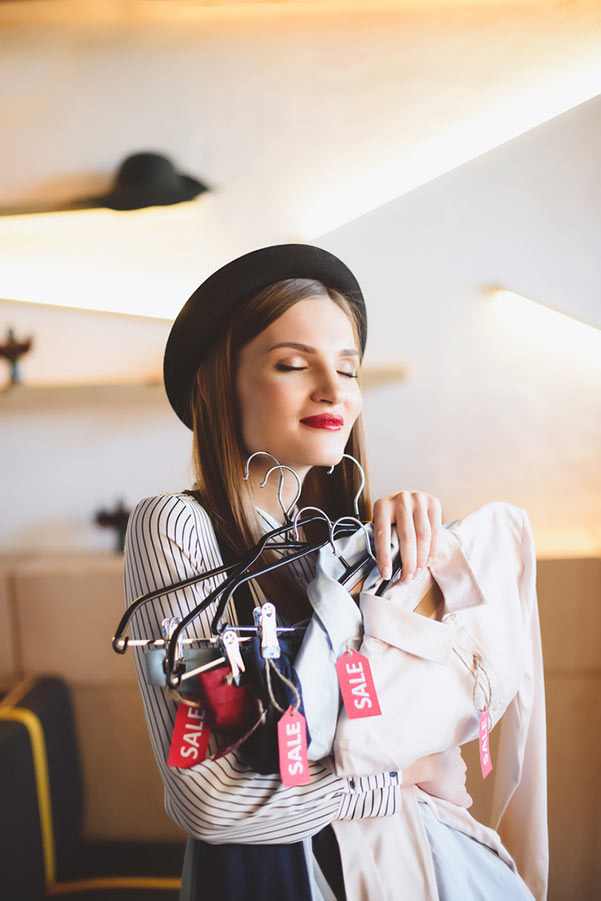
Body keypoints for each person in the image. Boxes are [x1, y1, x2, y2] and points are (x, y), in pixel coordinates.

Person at [123, 244, 540, 900]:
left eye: (347, 369)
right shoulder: (177, 526)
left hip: (411, 863)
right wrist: (392, 775)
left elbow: (435, 744)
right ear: (213, 382)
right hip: (275, 880)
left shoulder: (356, 540)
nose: (332, 391)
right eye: (292, 364)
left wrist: (411, 559)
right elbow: (212, 802)